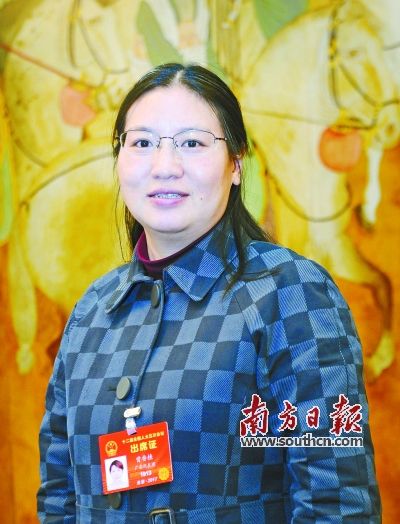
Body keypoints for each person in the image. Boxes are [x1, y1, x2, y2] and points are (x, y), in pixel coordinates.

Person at [37, 63, 381, 523]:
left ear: (236, 164)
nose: (165, 166)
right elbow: (59, 498)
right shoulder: (93, 310)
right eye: (142, 143)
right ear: (119, 161)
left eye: (192, 143)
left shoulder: (289, 292)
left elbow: (336, 505)